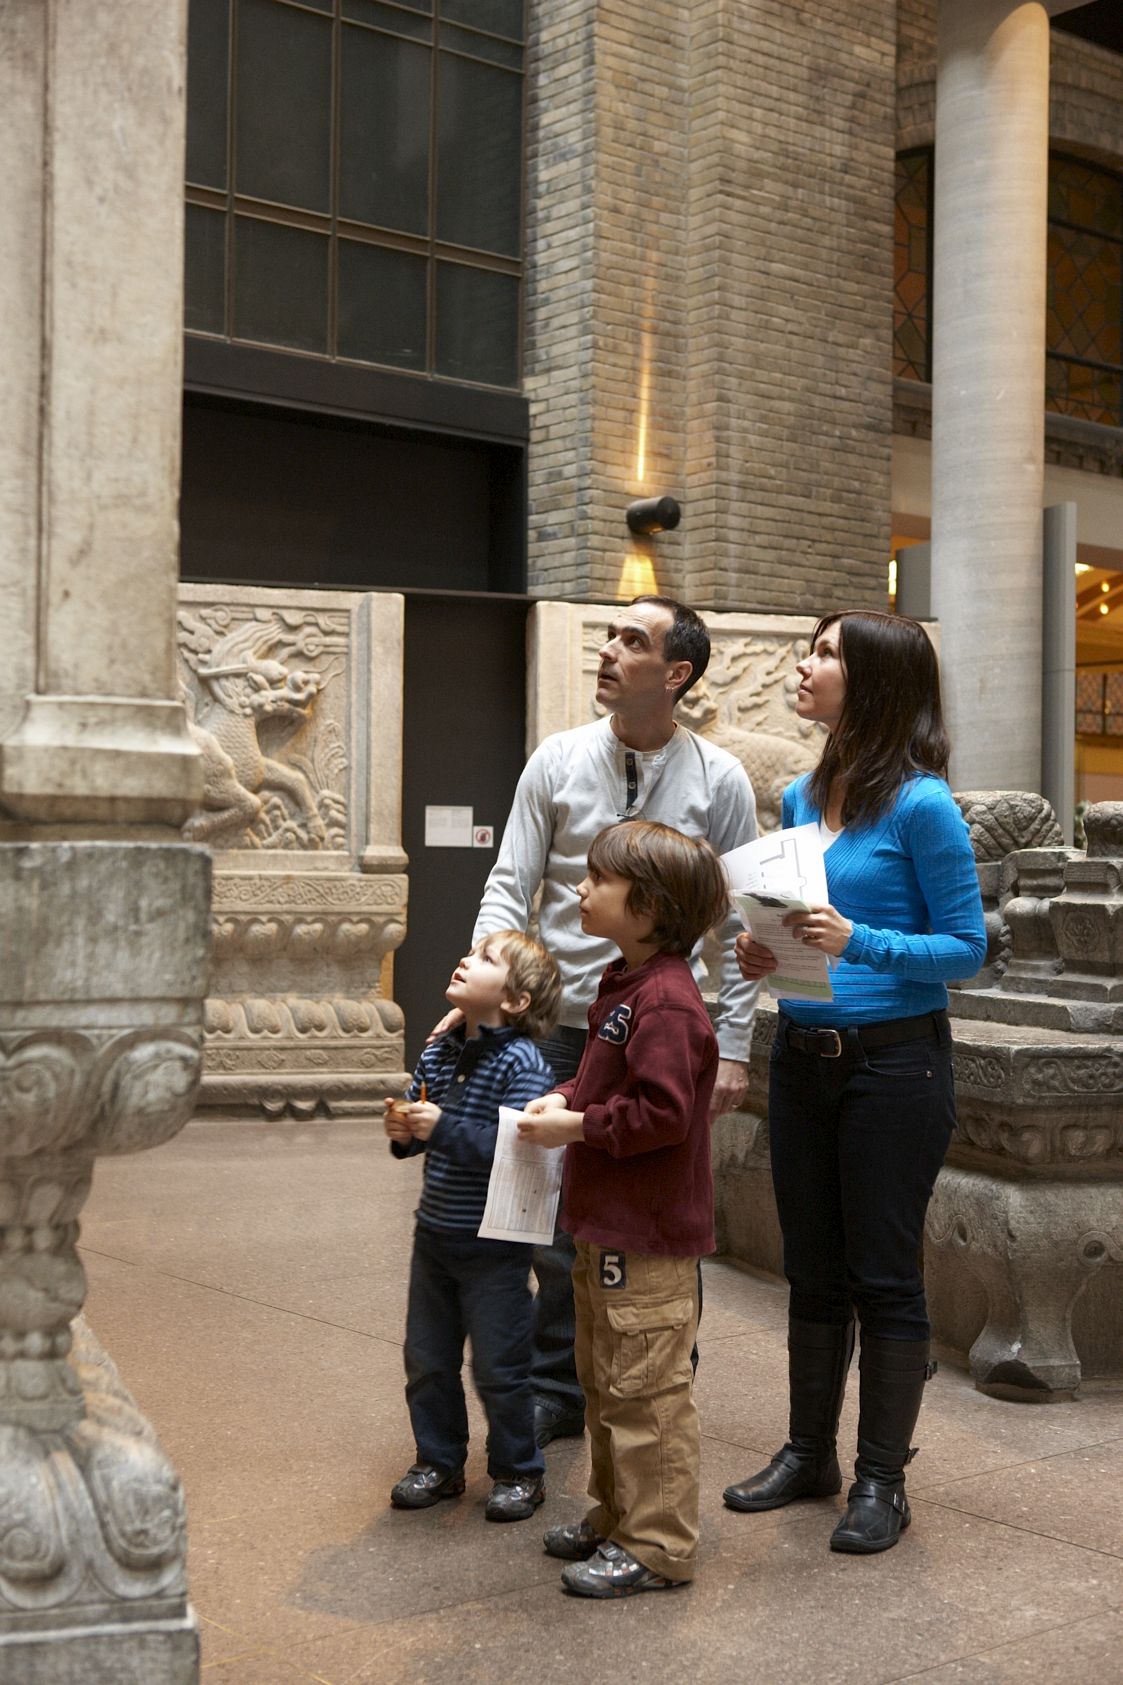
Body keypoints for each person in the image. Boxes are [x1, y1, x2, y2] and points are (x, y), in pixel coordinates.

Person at [436, 596, 758, 1448]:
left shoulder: (718, 778)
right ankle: (558, 1389)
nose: (607, 652)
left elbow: (744, 925)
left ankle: (656, 1377)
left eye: (631, 641)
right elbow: (511, 883)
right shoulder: (557, 758)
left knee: (653, 1211)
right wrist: (487, 1000)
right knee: (544, 1217)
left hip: (656, 1025)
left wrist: (733, 1045)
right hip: (554, 1025)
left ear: (677, 673)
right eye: (609, 636)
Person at [722, 610, 986, 1554]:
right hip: (803, 1056)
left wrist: (856, 937)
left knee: (882, 1274)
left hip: (894, 1066)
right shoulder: (800, 792)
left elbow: (967, 948)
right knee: (812, 1267)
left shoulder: (920, 805)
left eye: (826, 653)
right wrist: (773, 951)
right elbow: (806, 931)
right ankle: (807, 1454)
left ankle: (881, 1479)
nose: (804, 664)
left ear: (871, 680)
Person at [516, 820, 731, 1596]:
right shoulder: (624, 982)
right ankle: (615, 1515)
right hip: (606, 1227)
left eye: (596, 878)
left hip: (647, 1235)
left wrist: (577, 1123)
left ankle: (657, 1543)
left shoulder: (668, 1000)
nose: (579, 887)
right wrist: (568, 1093)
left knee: (647, 1393)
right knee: (606, 1384)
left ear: (644, 906)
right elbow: (609, 1085)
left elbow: (663, 1114)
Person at [385, 931, 561, 1523]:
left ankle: (518, 1470)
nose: (465, 958)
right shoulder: (438, 1050)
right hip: (433, 1235)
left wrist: (441, 1129)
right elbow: (418, 1129)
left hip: (494, 1248)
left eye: (486, 959)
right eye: (471, 951)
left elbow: (514, 1151)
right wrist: (404, 1134)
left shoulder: (523, 1063)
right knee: (426, 1359)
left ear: (513, 1000)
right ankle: (438, 1461)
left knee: (500, 1368)